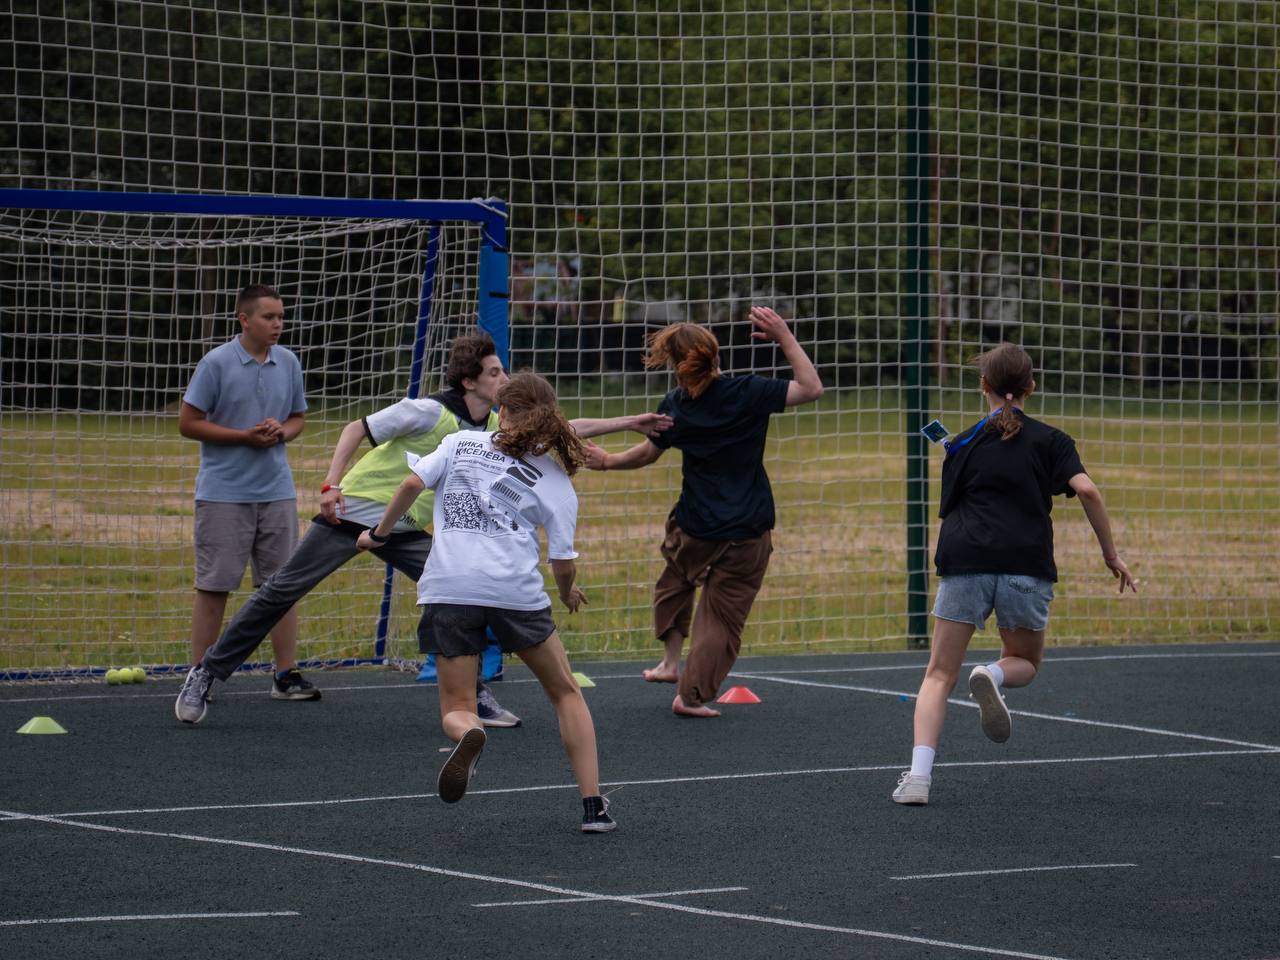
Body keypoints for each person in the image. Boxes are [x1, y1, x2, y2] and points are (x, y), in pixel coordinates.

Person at [175, 332, 668, 725]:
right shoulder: (429, 411)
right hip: (359, 509)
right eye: (495, 372)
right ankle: (206, 674)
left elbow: (564, 425)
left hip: (407, 525)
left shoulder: (496, 427)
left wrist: (629, 421)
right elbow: (355, 430)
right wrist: (330, 485)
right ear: (471, 381)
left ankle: (472, 697)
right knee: (282, 589)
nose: (504, 378)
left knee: (467, 596)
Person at [356, 372, 616, 832]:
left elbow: (411, 486)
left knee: (457, 706)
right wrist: (565, 591)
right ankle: (593, 806)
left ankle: (469, 732)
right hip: (514, 593)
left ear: (504, 411)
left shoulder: (459, 443)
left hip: (449, 587)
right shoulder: (556, 480)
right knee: (565, 693)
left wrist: (378, 535)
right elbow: (562, 560)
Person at [892, 343, 1137, 806]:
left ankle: (919, 779)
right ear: (1031, 385)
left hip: (966, 559)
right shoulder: (1052, 441)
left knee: (939, 674)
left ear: (983, 386)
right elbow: (1087, 490)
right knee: (1024, 662)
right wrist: (1111, 555)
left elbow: (951, 506)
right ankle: (992, 673)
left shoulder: (959, 443)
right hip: (1025, 562)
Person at [584, 306, 824, 717]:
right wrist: (784, 335)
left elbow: (646, 455)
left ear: (676, 365)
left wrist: (606, 461)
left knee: (675, 582)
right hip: (748, 529)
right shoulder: (748, 392)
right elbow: (811, 388)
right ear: (716, 356)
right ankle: (690, 696)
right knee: (722, 618)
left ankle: (670, 663)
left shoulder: (676, 407)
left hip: (694, 527)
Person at [178, 284, 310, 701]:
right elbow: (188, 423)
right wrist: (243, 437)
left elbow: (297, 418)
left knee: (281, 586)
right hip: (223, 494)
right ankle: (200, 677)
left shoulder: (288, 362)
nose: (278, 325)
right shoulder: (215, 363)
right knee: (215, 585)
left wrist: (280, 432)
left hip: (277, 492)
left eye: (281, 317)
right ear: (244, 320)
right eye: (269, 317)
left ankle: (285, 674)